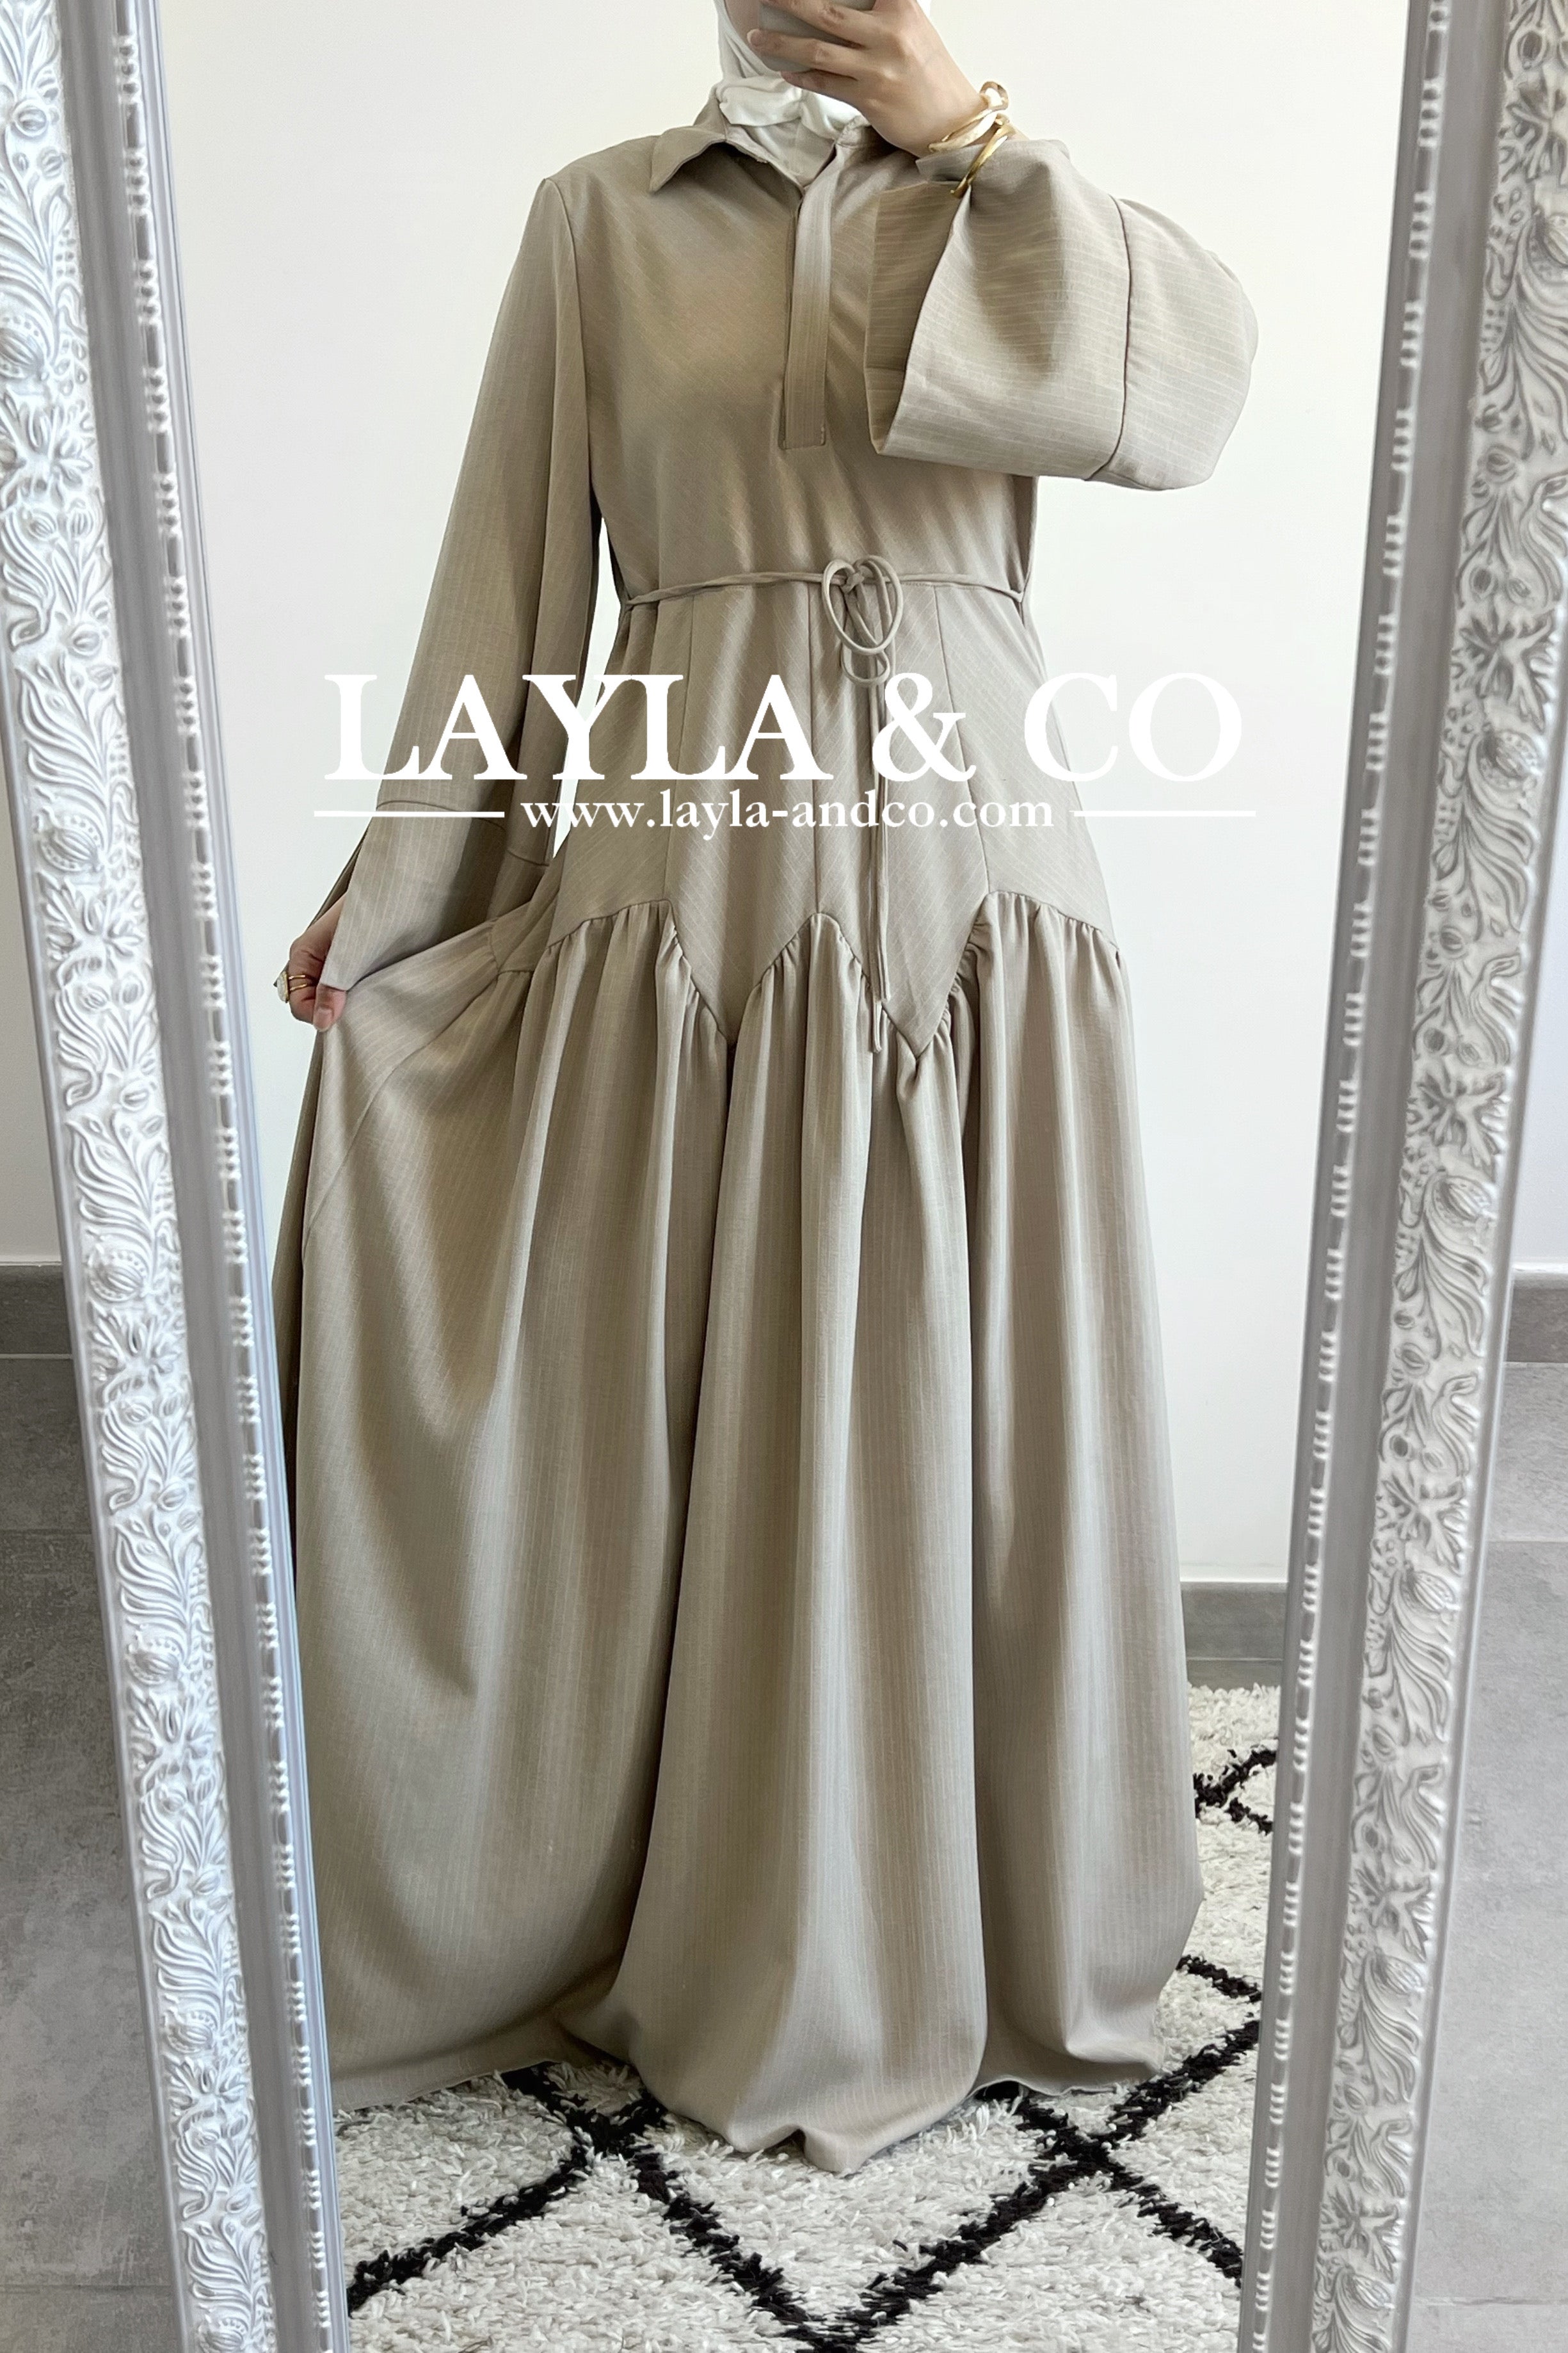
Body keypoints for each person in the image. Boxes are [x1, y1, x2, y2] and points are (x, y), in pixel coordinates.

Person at [272, 0, 1256, 2176]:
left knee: (953, 1381)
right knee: (671, 1366)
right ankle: (672, 1899)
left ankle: (974, 1912)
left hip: (970, 873)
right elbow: (508, 585)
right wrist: (411, 883)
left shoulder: (1014, 205)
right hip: (688, 868)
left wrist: (972, 133)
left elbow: (1187, 403)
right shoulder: (596, 220)